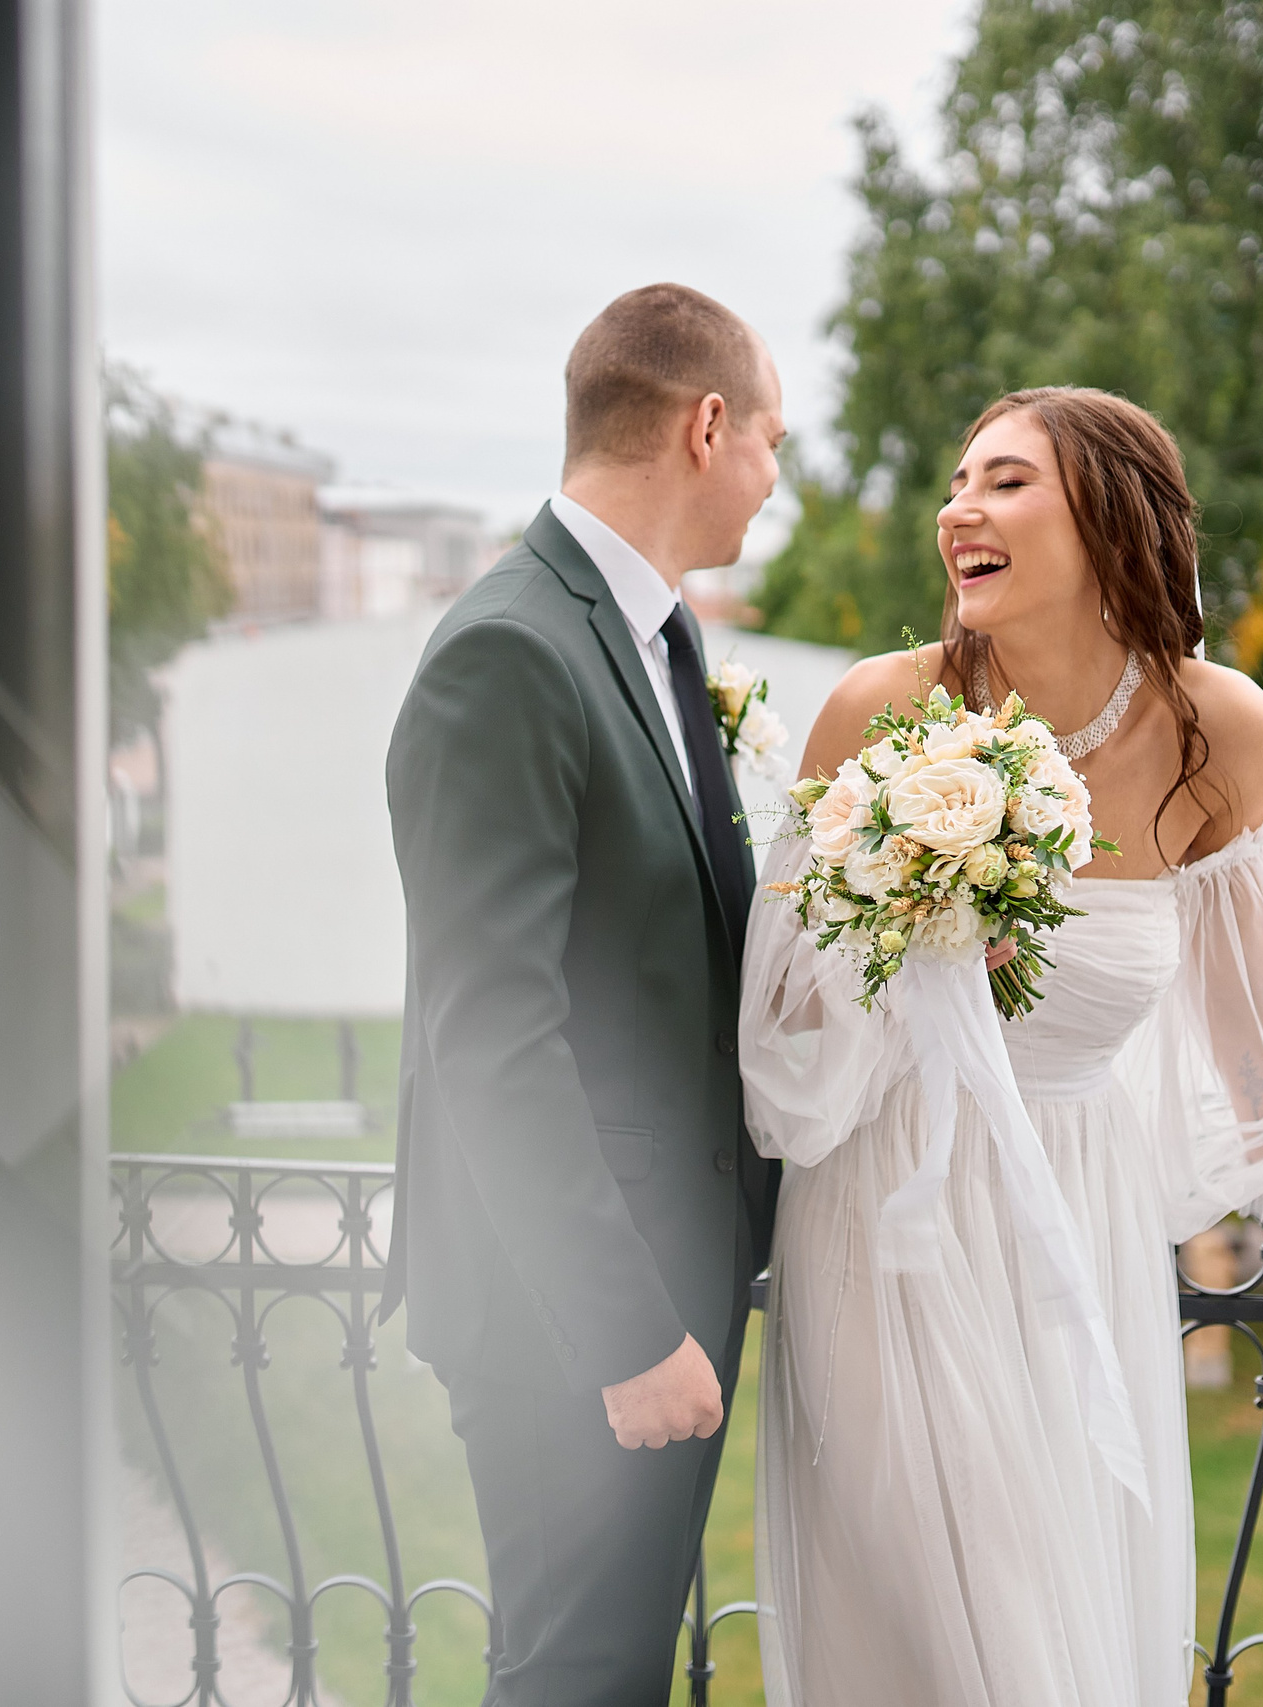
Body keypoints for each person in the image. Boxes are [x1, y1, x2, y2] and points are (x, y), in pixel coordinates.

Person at [739, 387, 1263, 1704]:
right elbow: (777, 1002)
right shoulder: (882, 711)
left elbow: (1240, 981)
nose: (957, 512)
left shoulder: (1219, 723)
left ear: (1108, 516)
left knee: (1053, 1595)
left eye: (1004, 483)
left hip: (1077, 1214)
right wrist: (908, 953)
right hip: (889, 1208)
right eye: (958, 483)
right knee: (931, 1614)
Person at [383, 282, 786, 1706]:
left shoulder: (643, 641)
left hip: (658, 1284)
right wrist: (624, 1332)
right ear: (707, 423)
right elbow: (491, 1035)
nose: (772, 481)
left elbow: (681, 953)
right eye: (772, 446)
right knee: (574, 1679)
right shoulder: (512, 650)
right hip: (575, 1317)